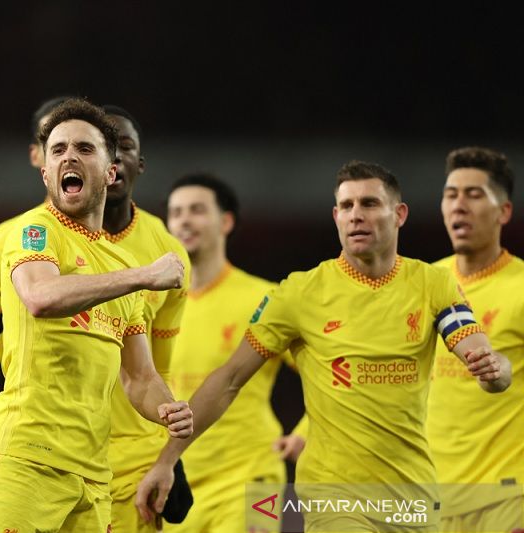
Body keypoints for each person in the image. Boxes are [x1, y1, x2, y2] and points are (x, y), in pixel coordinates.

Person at [136, 160, 511, 532]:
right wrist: (168, 458)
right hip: (331, 494)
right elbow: (230, 378)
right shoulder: (300, 293)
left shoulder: (433, 283)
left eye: (369, 204)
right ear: (335, 216)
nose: (355, 216)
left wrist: (493, 370)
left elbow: (480, 354)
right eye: (346, 206)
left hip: (411, 495)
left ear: (399, 214)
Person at [0, 98, 193, 532]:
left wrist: (168, 411)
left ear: (111, 170)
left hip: (92, 473)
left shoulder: (120, 264)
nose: (70, 156)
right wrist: (141, 275)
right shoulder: (34, 231)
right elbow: (40, 296)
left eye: (85, 149)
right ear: (46, 171)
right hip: (25, 455)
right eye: (59, 149)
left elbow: (139, 377)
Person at [164, 172, 306, 533]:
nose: (183, 219)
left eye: (196, 210)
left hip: (251, 479)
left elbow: (327, 375)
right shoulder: (155, 306)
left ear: (225, 221)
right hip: (176, 485)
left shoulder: (265, 298)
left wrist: (308, 430)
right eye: (176, 212)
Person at [100, 105, 192, 532]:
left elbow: (159, 364)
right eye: (104, 146)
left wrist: (170, 454)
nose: (115, 157)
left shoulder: (169, 253)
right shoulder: (34, 239)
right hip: (48, 443)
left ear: (141, 163)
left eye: (125, 147)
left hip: (134, 455)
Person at [427, 146, 524, 532]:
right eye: (451, 195)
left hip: (506, 496)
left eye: (474, 194)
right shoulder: (423, 284)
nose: (459, 206)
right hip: (431, 496)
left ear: (504, 212)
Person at [0, 95, 73, 400]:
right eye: (53, 143)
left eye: (79, 144)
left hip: (131, 435)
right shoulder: (11, 235)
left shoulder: (148, 242)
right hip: (43, 420)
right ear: (36, 156)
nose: (67, 156)